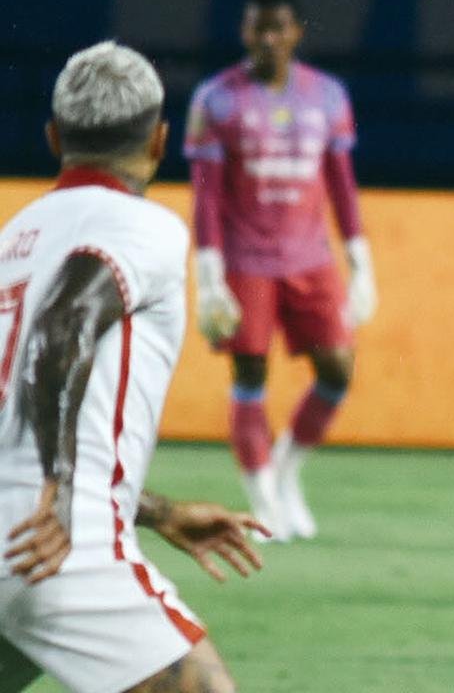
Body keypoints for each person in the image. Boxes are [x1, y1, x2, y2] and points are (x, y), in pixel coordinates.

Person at [0, 41, 269, 693]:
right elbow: (63, 325)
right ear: (159, 140)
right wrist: (63, 489)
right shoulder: (143, 228)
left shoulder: (15, 241)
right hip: (53, 545)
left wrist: (158, 511)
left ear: (54, 137)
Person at [183, 0, 377, 542]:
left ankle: (287, 469)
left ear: (296, 33)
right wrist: (209, 275)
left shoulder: (328, 96)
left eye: (278, 28)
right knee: (250, 374)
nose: (268, 39)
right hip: (246, 259)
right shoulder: (216, 100)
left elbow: (341, 184)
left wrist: (360, 260)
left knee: (337, 369)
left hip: (310, 256)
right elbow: (206, 196)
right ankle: (263, 499)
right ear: (245, 33)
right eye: (257, 28)